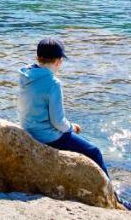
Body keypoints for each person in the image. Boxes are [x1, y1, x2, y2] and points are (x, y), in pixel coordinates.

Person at [17, 37, 108, 176]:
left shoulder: (26, 75)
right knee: (94, 151)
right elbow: (58, 122)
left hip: (28, 129)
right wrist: (73, 127)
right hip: (46, 136)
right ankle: (112, 195)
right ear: (59, 61)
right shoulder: (53, 83)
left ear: (37, 57)